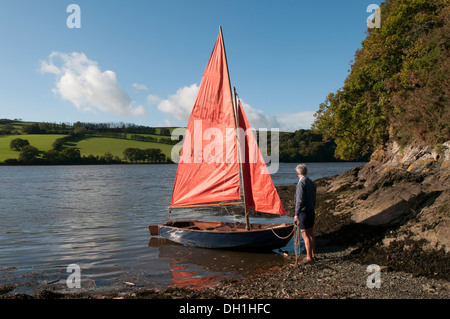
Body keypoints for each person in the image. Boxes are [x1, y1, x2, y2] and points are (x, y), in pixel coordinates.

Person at [294, 164, 317, 265]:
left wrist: (296, 214)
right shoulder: (311, 182)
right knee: (311, 233)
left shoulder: (301, 183)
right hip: (311, 210)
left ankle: (308, 257)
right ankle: (312, 255)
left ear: (298, 172)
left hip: (304, 212)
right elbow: (314, 197)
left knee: (305, 234)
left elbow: (299, 200)